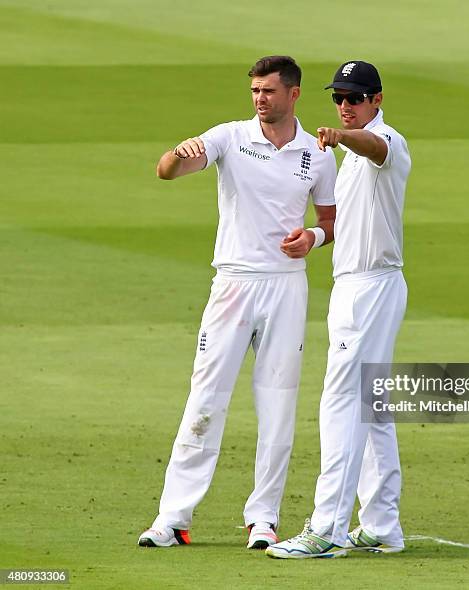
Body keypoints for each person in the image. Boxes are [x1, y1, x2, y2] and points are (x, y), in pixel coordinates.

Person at [138, 56, 337, 550]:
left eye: (268, 91)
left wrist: (311, 236)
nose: (259, 99)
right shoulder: (230, 136)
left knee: (278, 404)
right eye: (254, 90)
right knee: (206, 399)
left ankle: (264, 519)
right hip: (232, 284)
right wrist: (174, 155)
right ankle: (172, 518)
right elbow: (168, 172)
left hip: (286, 286)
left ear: (293, 94)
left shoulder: (318, 154)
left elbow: (332, 221)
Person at [266, 60, 411, 559]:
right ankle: (382, 524)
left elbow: (376, 147)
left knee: (342, 401)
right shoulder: (351, 156)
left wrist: (344, 137)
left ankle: (327, 527)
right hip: (356, 285)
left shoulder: (385, 143)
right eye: (339, 98)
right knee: (371, 406)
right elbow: (345, 224)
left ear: (377, 100)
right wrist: (315, 235)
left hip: (370, 288)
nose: (345, 106)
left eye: (355, 98)